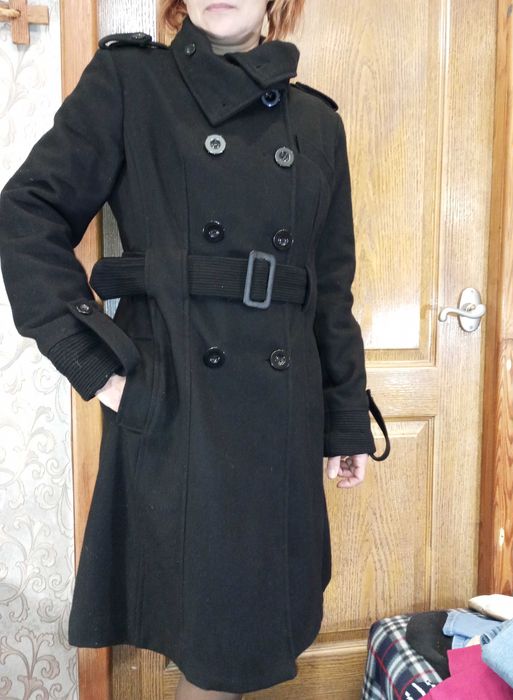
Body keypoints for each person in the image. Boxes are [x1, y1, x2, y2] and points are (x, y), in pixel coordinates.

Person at [0, 0, 391, 698]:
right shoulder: (130, 81)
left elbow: (329, 291)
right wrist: (97, 368)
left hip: (281, 419)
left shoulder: (316, 123)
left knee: (251, 636)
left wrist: (343, 421)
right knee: (212, 649)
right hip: (180, 407)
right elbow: (27, 212)